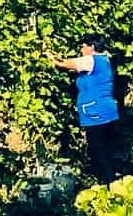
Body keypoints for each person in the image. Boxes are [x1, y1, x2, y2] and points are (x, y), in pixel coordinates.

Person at [51, 33, 120, 184]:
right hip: (107, 111)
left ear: (92, 47)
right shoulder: (104, 60)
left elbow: (63, 64)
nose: (81, 49)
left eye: (83, 46)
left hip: (96, 113)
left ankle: (107, 187)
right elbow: (75, 69)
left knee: (99, 153)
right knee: (106, 152)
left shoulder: (90, 60)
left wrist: (47, 56)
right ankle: (112, 184)